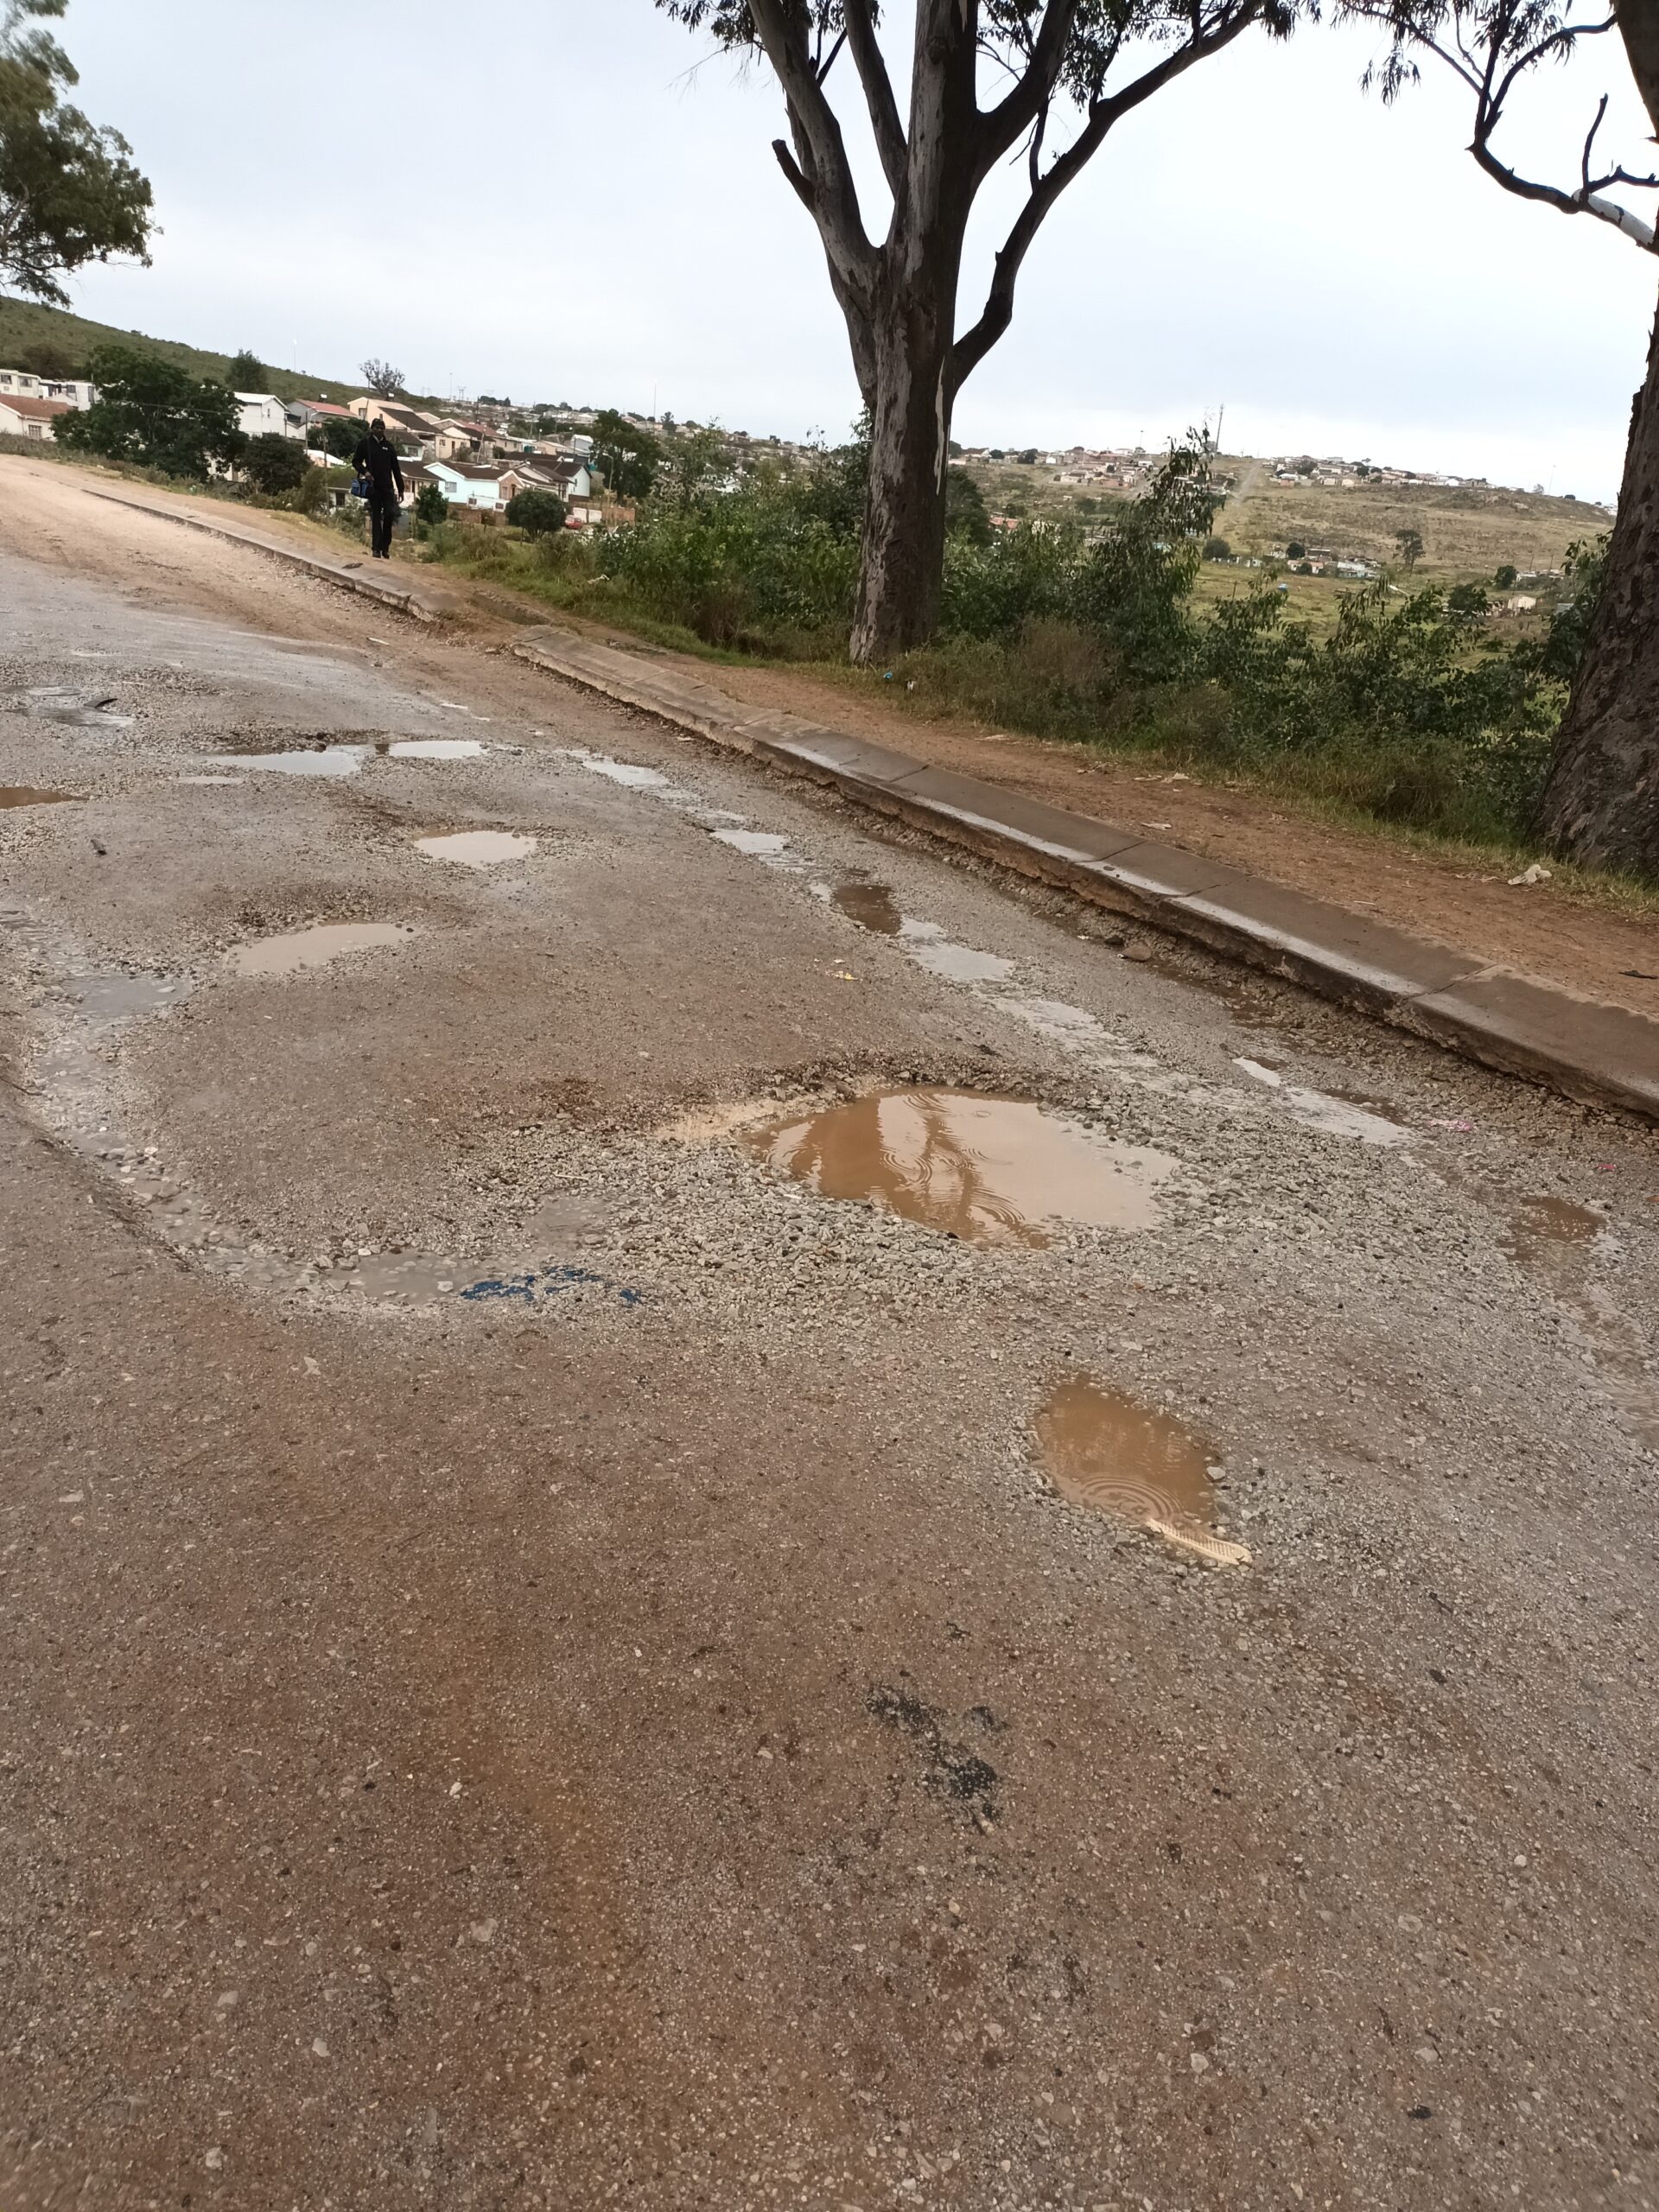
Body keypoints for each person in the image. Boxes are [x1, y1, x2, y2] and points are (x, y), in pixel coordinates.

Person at [353, 416, 405, 559]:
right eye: (377, 427)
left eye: (382, 428)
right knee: (376, 517)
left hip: (388, 487)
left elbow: (396, 469)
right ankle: (376, 549)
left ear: (384, 430)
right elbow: (356, 461)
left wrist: (401, 489)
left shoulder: (389, 447)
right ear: (372, 429)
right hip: (373, 487)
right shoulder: (365, 444)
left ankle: (385, 548)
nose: (379, 430)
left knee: (389, 515)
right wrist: (366, 472)